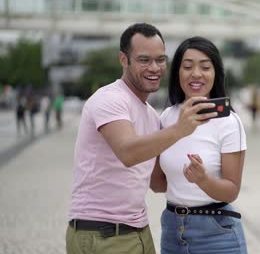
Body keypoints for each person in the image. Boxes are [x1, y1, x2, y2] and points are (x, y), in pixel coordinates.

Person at [66, 24, 217, 254]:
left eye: (160, 59)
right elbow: (128, 153)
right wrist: (179, 129)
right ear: (123, 60)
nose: (154, 68)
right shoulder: (110, 99)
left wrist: (207, 178)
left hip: (138, 231)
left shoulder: (150, 114)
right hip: (103, 233)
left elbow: (157, 183)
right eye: (144, 60)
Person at [150, 36, 248, 254]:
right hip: (172, 232)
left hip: (217, 235)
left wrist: (202, 180)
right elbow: (158, 185)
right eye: (187, 67)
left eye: (205, 67)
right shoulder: (167, 117)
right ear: (178, 73)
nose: (196, 74)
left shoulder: (229, 123)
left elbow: (231, 192)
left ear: (216, 74)